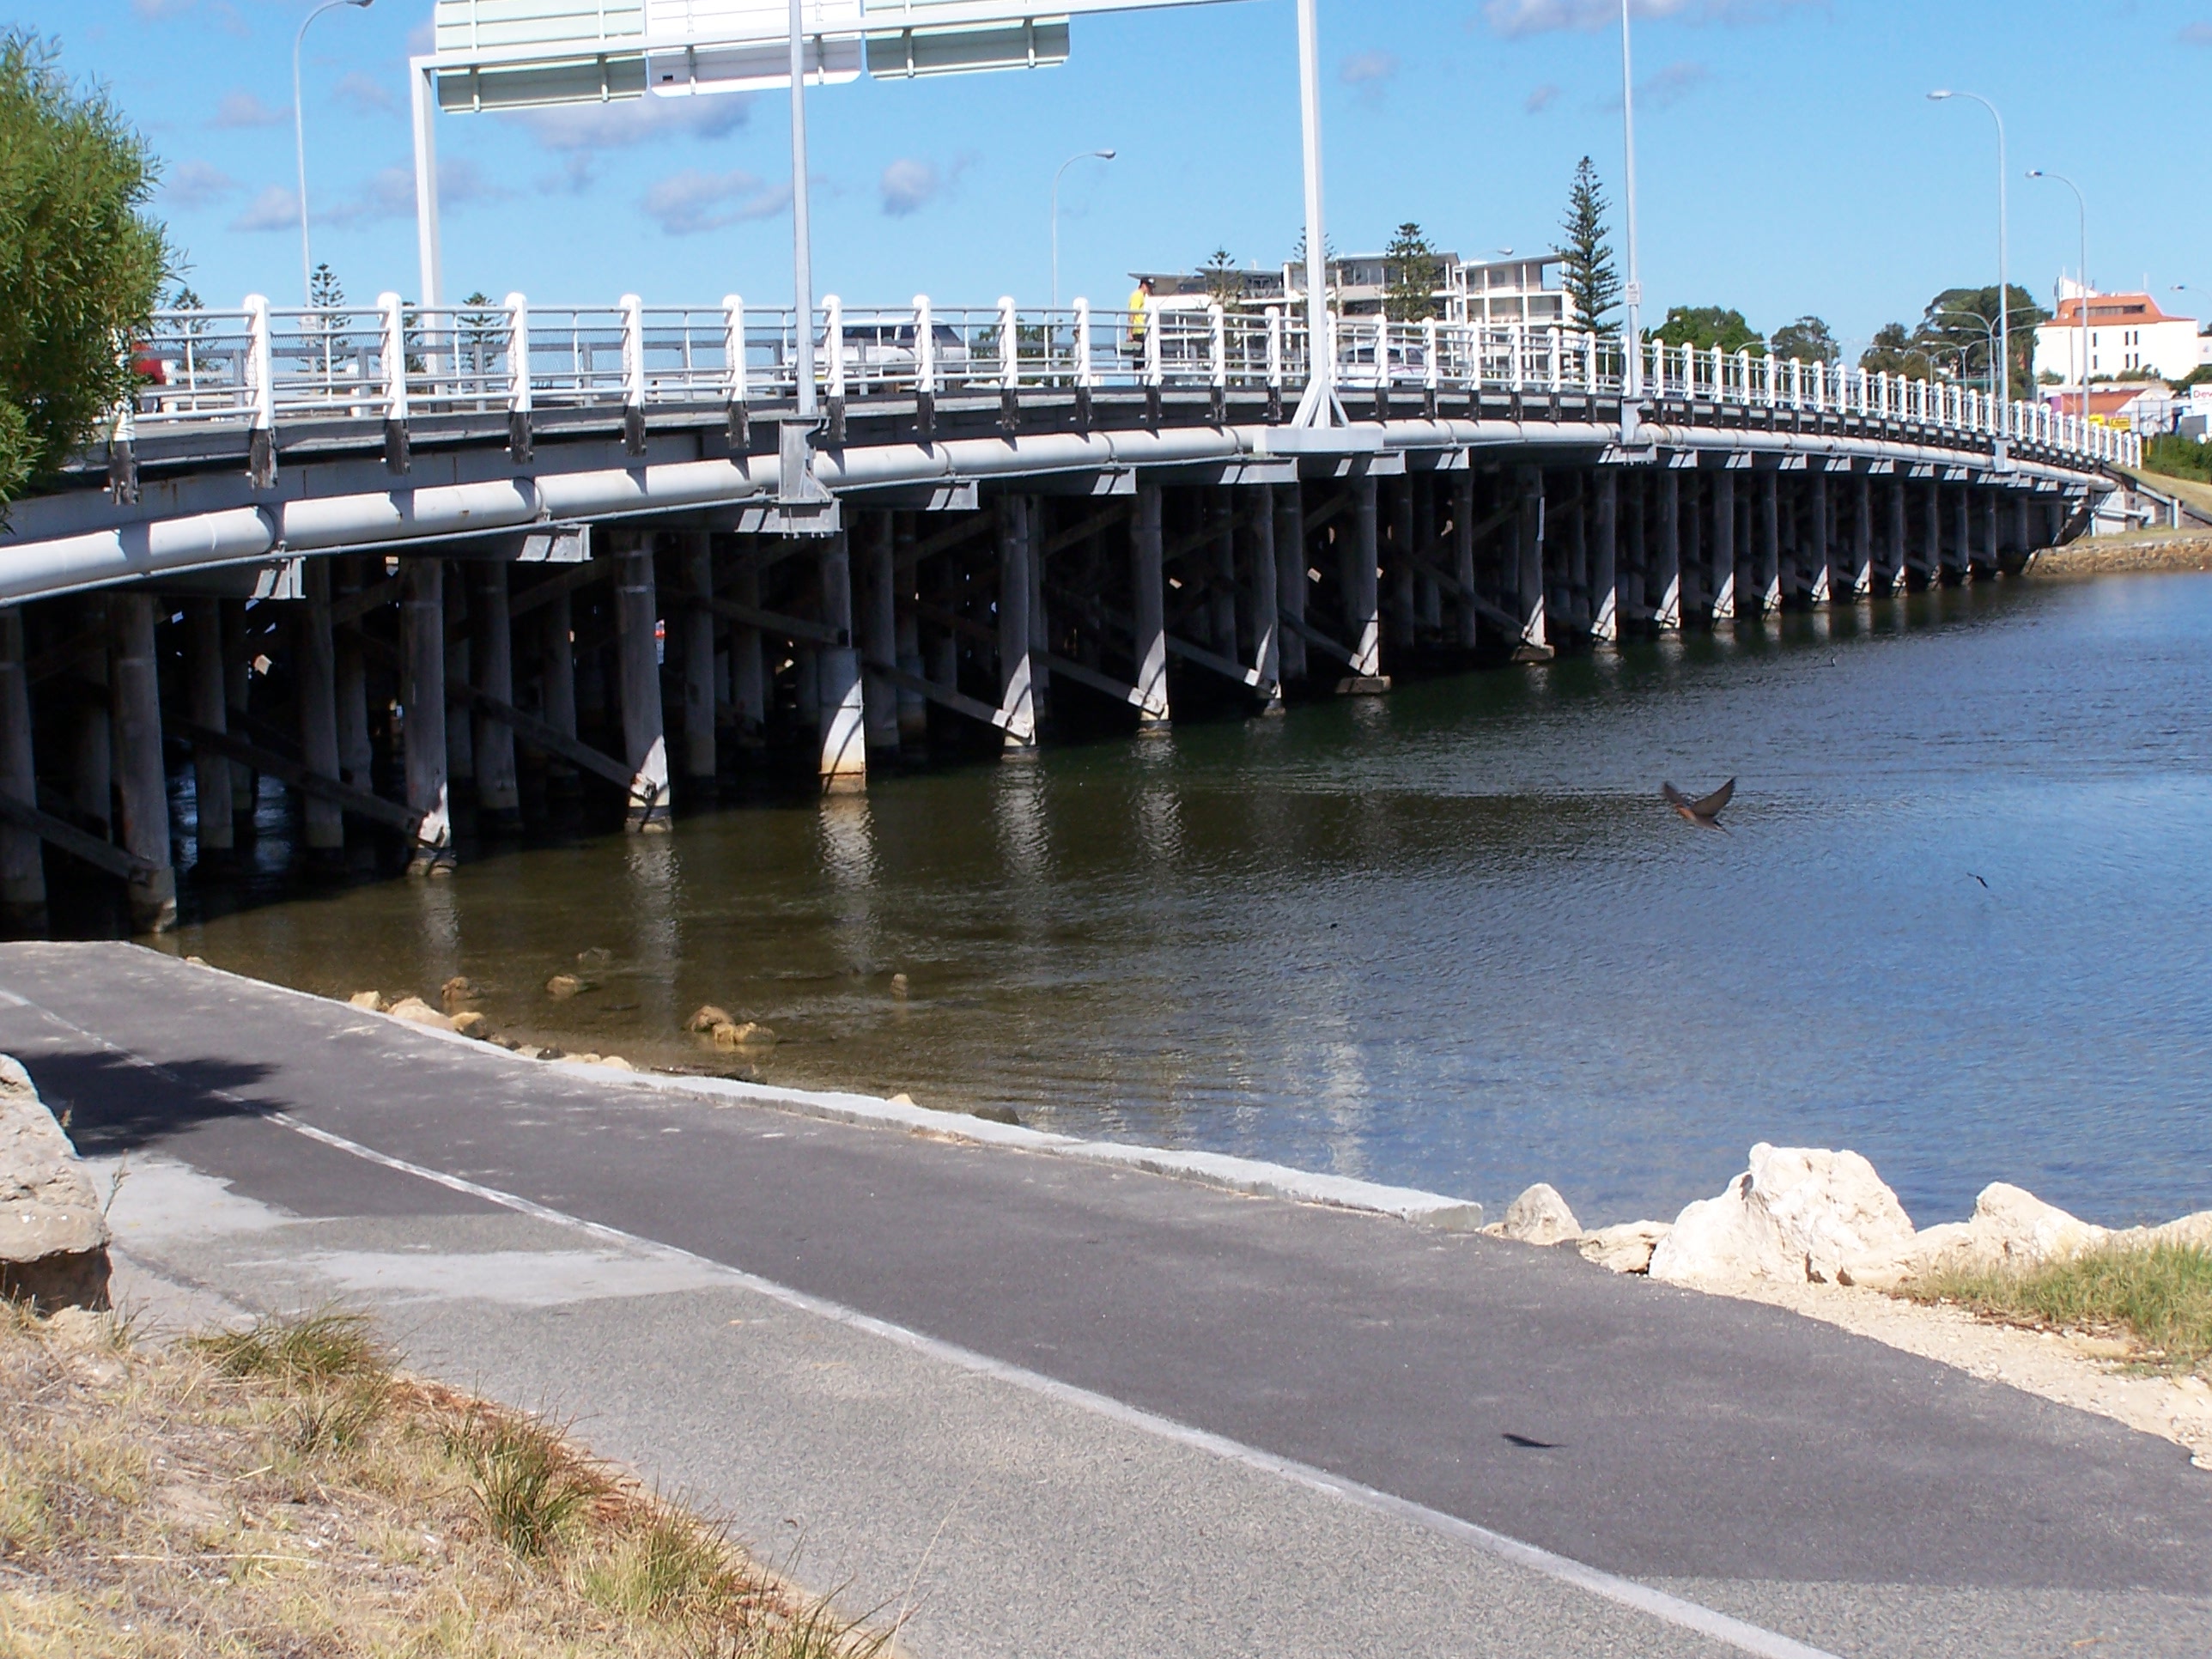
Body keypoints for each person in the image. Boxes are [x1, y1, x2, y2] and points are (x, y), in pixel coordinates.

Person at [1126, 276, 1154, 358]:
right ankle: (1138, 370)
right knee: (1139, 355)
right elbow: (1132, 313)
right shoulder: (1138, 295)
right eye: (1149, 287)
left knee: (1142, 354)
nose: (1150, 289)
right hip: (1138, 330)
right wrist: (1130, 332)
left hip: (1140, 330)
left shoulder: (1141, 296)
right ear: (1144, 285)